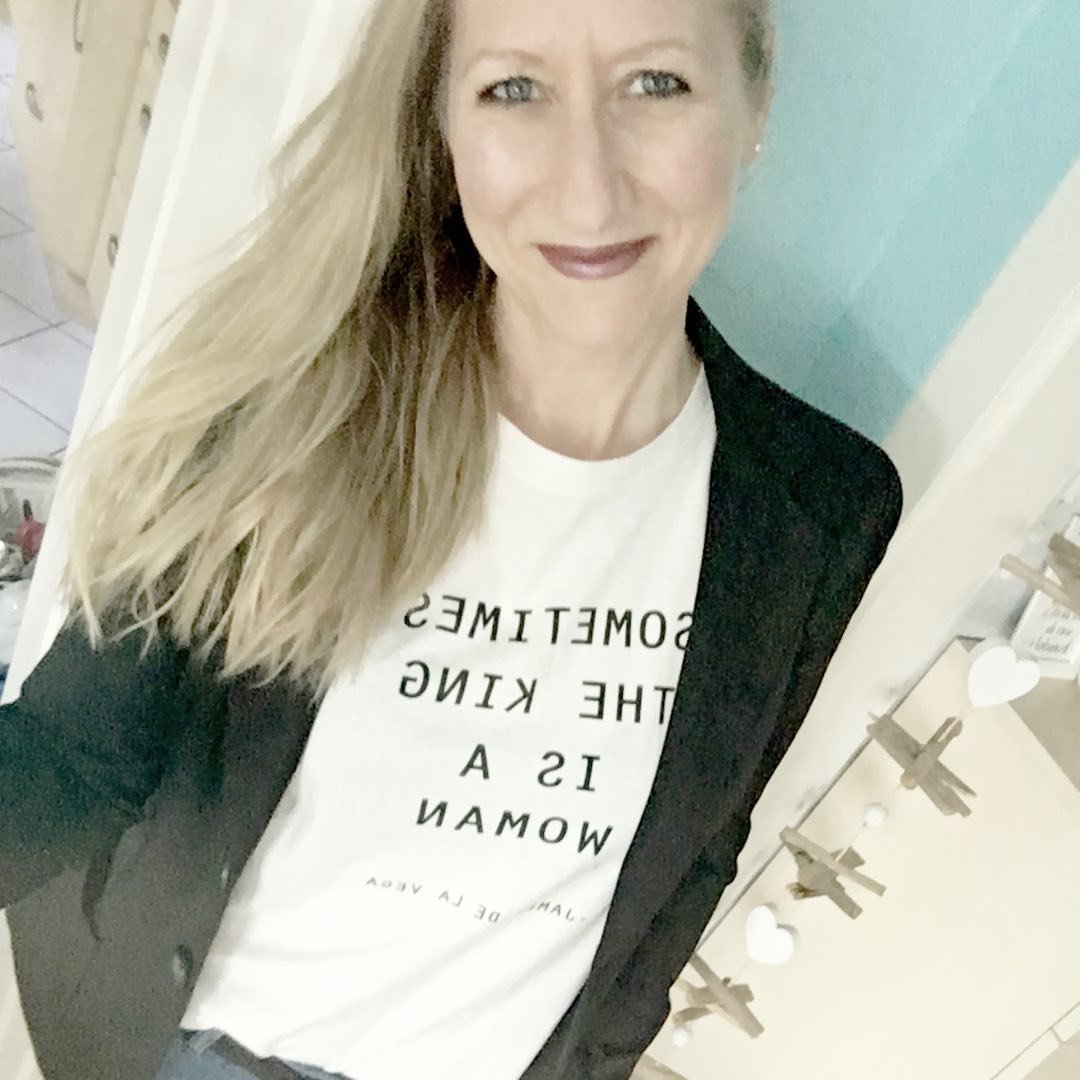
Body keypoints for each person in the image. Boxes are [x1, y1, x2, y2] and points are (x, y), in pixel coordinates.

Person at [0, 1, 902, 1079]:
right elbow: (74, 757)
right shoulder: (289, 410)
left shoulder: (822, 507)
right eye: (514, 90)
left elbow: (692, 858)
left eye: (656, 83)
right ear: (443, 125)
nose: (588, 188)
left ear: (754, 105)